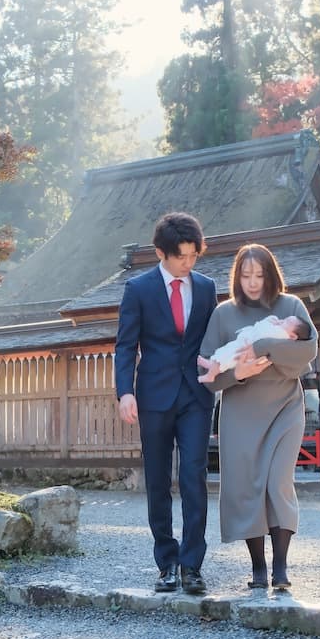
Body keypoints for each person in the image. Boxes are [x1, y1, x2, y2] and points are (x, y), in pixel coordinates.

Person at [198, 243, 317, 591]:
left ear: (271, 275)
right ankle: (258, 569)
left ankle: (280, 567)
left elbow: (307, 349)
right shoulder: (223, 314)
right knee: (248, 486)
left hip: (284, 407)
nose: (252, 282)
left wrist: (264, 346)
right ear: (237, 276)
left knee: (277, 483)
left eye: (259, 274)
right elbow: (207, 372)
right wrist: (240, 372)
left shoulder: (291, 306)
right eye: (246, 275)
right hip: (240, 411)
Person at [114, 212, 218, 595]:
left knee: (194, 476)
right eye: (181, 257)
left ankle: (192, 565)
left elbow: (213, 340)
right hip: (153, 396)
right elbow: (125, 345)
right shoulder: (138, 289)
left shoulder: (206, 288)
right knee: (158, 480)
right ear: (161, 252)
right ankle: (167, 563)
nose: (188, 264)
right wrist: (125, 391)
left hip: (195, 395)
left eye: (193, 256)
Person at [196, 315, 309, 383]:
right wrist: (271, 321)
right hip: (245, 345)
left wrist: (269, 321)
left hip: (248, 354)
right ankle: (211, 365)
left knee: (227, 357)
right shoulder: (280, 333)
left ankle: (210, 375)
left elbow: (262, 331)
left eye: (287, 322)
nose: (282, 321)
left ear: (293, 336)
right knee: (226, 353)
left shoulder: (282, 335)